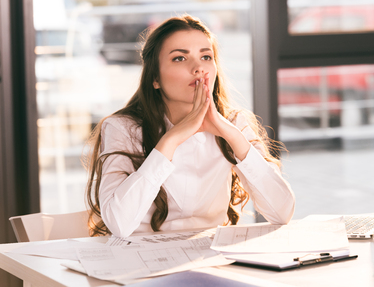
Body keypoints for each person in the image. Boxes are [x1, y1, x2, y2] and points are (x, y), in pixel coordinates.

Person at [85, 15, 295, 238]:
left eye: (206, 57)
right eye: (179, 59)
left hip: (209, 260)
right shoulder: (122, 128)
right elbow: (118, 224)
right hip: (141, 264)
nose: (198, 69)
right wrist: (172, 139)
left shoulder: (234, 124)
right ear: (155, 77)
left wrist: (232, 136)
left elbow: (282, 213)